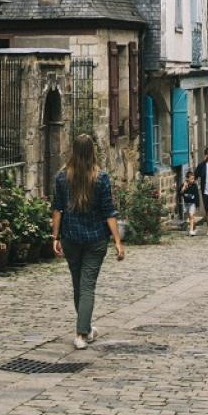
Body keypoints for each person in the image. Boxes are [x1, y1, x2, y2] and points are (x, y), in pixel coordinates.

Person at [52, 134, 125, 350]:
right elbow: (108, 212)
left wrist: (54, 236)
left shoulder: (62, 177)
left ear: (73, 151)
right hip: (95, 239)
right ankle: (82, 332)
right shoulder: (100, 178)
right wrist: (118, 242)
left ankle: (85, 329)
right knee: (86, 286)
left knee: (79, 285)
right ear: (92, 151)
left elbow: (57, 209)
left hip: (71, 238)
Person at [179, 171, 200, 236]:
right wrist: (184, 187)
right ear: (187, 178)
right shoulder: (184, 185)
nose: (192, 180)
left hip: (192, 203)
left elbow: (197, 195)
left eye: (193, 179)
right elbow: (180, 193)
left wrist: (197, 205)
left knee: (191, 216)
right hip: (186, 203)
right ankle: (194, 228)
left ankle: (191, 231)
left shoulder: (194, 185)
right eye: (191, 179)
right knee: (190, 216)